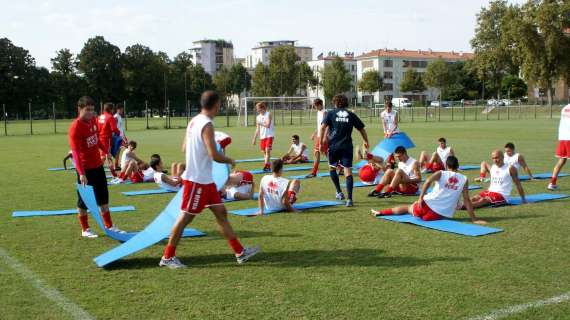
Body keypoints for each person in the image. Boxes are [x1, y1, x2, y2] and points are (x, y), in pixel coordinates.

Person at [160, 91, 260, 269]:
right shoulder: (207, 124)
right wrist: (229, 160)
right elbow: (214, 155)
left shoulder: (194, 121)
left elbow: (184, 147)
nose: (220, 108)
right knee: (185, 218)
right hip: (197, 181)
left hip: (206, 181)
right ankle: (167, 257)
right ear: (215, 105)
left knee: (221, 213)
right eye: (220, 105)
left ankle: (240, 252)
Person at [69, 96, 125, 238]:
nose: (90, 113)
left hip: (98, 166)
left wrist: (106, 152)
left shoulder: (93, 121)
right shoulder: (75, 127)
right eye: (87, 110)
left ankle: (109, 226)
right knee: (84, 201)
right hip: (85, 169)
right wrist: (81, 173)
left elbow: (97, 140)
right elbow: (75, 151)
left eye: (92, 110)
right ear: (79, 109)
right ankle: (85, 229)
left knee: (103, 198)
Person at [372, 156, 487, 224]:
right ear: (458, 166)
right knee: (418, 211)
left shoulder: (441, 173)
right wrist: (474, 219)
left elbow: (427, 181)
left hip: (423, 207)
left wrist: (421, 198)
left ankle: (381, 212)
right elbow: (467, 200)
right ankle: (382, 212)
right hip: (435, 216)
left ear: (447, 166)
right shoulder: (464, 179)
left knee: (408, 208)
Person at [320, 94, 369, 207]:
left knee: (332, 168)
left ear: (335, 103)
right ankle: (350, 199)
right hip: (347, 146)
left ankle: (339, 192)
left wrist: (321, 142)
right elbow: (361, 129)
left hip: (334, 146)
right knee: (348, 172)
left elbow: (322, 127)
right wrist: (365, 141)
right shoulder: (351, 115)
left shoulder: (331, 113)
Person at [548, 104, 570, 190]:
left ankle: (552, 183)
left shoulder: (564, 108)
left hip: (562, 137)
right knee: (561, 161)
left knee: (561, 160)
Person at [97, 102, 121, 177]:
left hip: (99, 138)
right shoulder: (110, 117)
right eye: (113, 109)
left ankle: (114, 174)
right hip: (106, 139)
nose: (113, 111)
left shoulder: (100, 117)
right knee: (107, 157)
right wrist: (118, 133)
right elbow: (114, 129)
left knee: (104, 157)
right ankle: (113, 175)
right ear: (110, 109)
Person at [306, 98, 327, 178]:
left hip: (323, 136)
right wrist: (314, 133)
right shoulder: (318, 112)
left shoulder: (325, 112)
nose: (315, 108)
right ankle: (340, 167)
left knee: (317, 152)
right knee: (325, 153)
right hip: (319, 135)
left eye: (315, 106)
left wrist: (324, 137)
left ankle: (314, 172)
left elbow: (326, 126)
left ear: (320, 104)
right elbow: (319, 126)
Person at [251, 102, 274, 172]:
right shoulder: (258, 117)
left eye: (257, 108)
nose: (256, 109)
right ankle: (268, 165)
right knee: (264, 152)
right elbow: (257, 129)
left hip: (269, 135)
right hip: (262, 136)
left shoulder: (268, 114)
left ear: (262, 108)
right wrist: (254, 138)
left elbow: (268, 125)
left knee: (267, 150)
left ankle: (266, 165)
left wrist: (261, 123)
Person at [112, 104, 127, 169]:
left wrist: (124, 136)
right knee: (127, 148)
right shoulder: (116, 117)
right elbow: (113, 127)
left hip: (121, 136)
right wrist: (116, 136)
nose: (122, 111)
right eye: (122, 110)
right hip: (117, 137)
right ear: (118, 109)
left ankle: (118, 164)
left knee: (120, 150)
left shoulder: (119, 116)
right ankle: (117, 165)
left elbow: (121, 128)